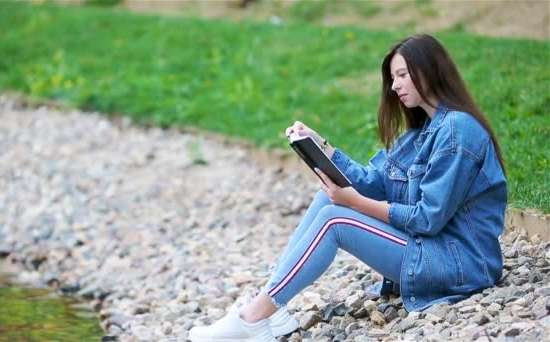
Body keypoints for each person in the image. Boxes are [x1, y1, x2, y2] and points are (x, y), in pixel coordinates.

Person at [189, 33, 508, 341]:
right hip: (433, 251)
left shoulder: (457, 131)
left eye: (402, 75)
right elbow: (374, 182)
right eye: (393, 78)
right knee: (326, 202)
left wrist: (354, 203)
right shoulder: (420, 133)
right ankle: (272, 309)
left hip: (462, 264)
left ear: (429, 71)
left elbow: (428, 218)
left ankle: (253, 318)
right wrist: (322, 147)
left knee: (335, 219)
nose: (394, 85)